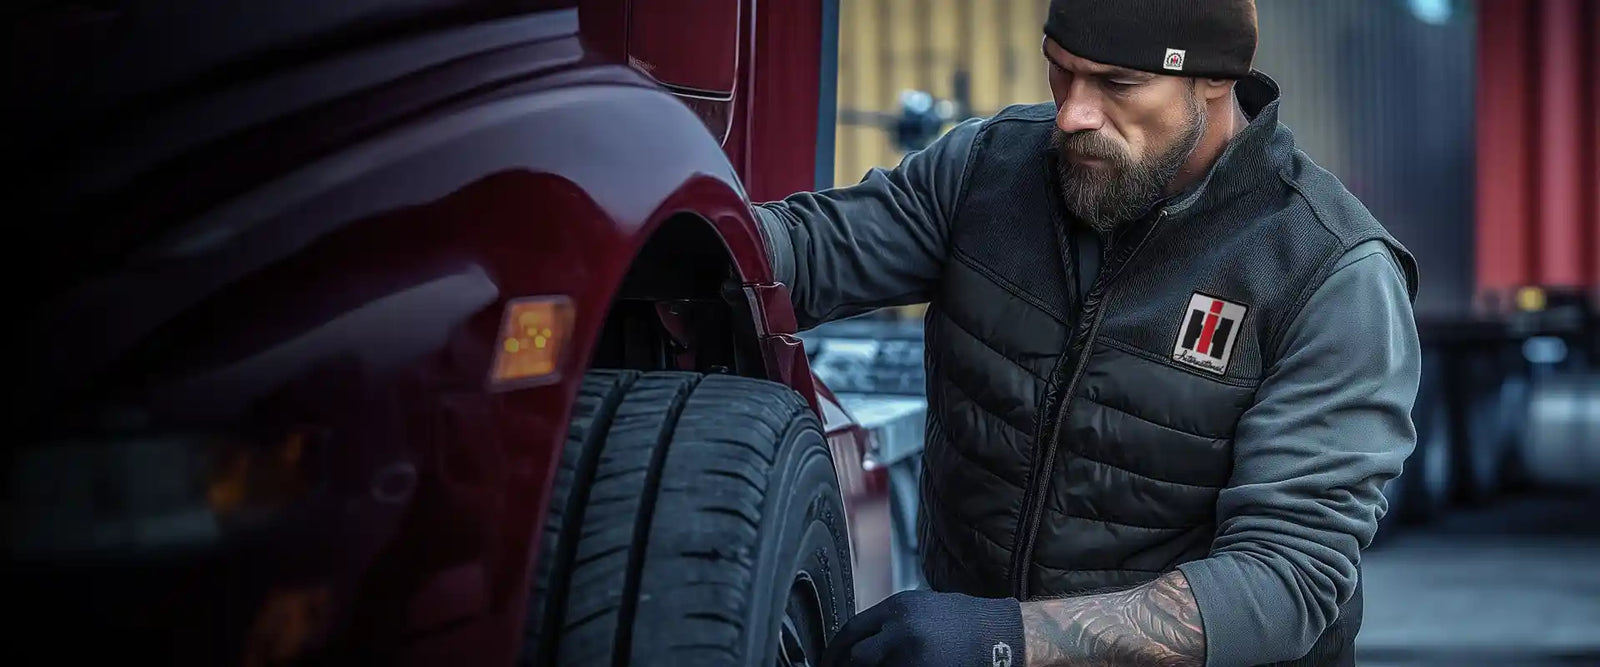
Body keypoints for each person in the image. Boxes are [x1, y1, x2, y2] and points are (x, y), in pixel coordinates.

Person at [755, 1, 1422, 666]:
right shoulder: (987, 170)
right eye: (1062, 71)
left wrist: (1005, 639)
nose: (1073, 115)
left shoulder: (1327, 270)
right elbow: (805, 251)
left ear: (1217, 78)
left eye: (1117, 84)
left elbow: (1284, 583)